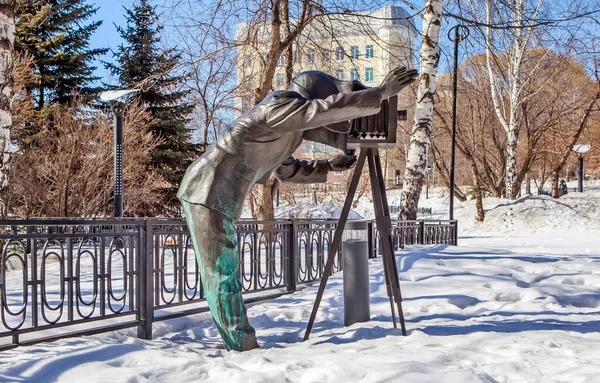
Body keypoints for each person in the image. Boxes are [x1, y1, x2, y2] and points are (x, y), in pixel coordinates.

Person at [178, 66, 418, 351]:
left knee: (223, 271)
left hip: (218, 197)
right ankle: (242, 348)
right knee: (222, 272)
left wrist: (328, 166)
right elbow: (319, 111)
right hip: (206, 191)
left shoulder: (287, 131)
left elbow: (287, 171)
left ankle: (239, 343)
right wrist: (379, 93)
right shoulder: (278, 106)